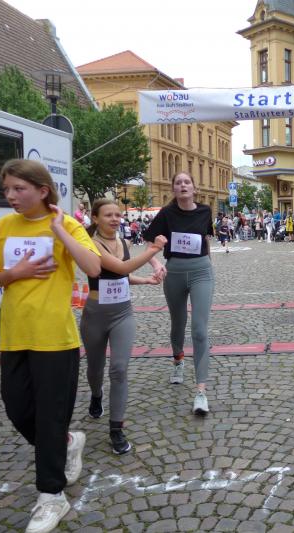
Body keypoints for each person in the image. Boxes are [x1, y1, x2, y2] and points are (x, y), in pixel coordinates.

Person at [0, 159, 101, 533]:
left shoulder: (67, 225)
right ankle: (67, 442)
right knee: (16, 408)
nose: (10, 196)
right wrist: (16, 273)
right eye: (6, 189)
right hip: (15, 336)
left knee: (48, 418)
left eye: (19, 188)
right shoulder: (4, 226)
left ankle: (52, 496)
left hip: (55, 339)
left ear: (42, 190)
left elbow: (93, 268)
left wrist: (60, 230)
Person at [81, 199, 165, 455]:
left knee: (119, 369)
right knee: (95, 368)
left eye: (118, 215)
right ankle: (96, 395)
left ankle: (116, 428)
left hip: (122, 313)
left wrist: (147, 281)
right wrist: (153, 250)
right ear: (96, 218)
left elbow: (124, 276)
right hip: (95, 314)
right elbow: (120, 267)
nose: (115, 219)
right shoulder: (91, 243)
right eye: (108, 215)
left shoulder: (124, 243)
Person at [143, 172, 215, 415]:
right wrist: (156, 264)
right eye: (178, 183)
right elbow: (148, 243)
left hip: (201, 272)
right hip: (173, 272)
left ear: (194, 188)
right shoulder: (166, 213)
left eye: (187, 182)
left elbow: (205, 240)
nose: (183, 185)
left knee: (199, 329)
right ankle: (178, 360)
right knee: (178, 322)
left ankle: (201, 392)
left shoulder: (205, 211)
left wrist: (208, 264)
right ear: (173, 189)